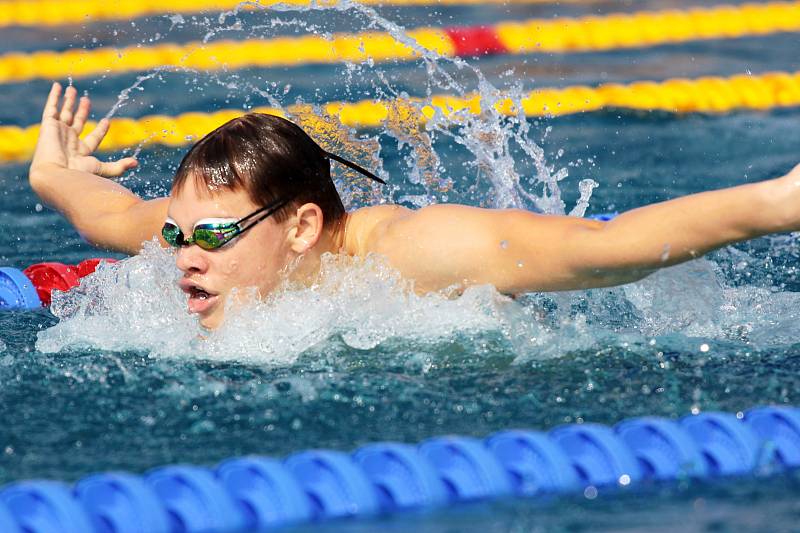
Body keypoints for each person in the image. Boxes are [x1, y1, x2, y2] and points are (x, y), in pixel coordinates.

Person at [29, 83, 800, 329]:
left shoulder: (413, 253)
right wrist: (53, 179)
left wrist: (777, 202)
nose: (182, 256)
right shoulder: (194, 239)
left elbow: (600, 249)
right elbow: (106, 213)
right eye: (176, 233)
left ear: (301, 226)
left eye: (212, 236)